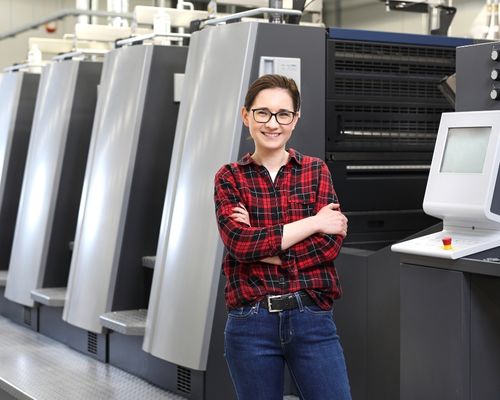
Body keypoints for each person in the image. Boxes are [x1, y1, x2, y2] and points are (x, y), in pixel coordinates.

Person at [213, 74, 351, 400]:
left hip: (312, 318)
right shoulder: (229, 177)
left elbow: (330, 244)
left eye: (283, 114)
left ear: (295, 119)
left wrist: (261, 247)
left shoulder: (315, 171)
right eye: (262, 113)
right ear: (246, 115)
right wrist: (313, 223)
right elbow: (239, 243)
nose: (272, 123)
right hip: (251, 322)